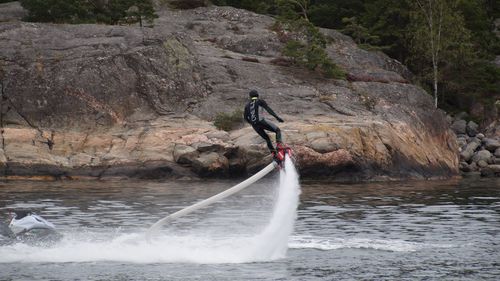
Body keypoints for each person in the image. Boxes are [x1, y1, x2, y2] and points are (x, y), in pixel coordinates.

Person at [244, 90, 284, 155]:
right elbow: (269, 110)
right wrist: (277, 118)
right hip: (262, 121)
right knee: (277, 130)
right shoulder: (260, 101)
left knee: (267, 139)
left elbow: (245, 118)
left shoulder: (247, 105)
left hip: (255, 125)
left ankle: (274, 154)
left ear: (250, 97)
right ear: (258, 95)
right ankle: (279, 147)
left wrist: (252, 123)